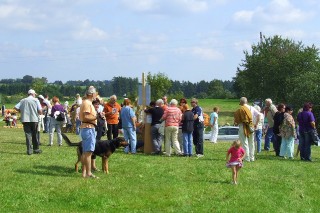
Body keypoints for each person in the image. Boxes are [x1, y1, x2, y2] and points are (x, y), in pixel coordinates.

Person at [14, 89, 42, 155]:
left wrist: (21, 110)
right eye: (35, 94)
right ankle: (36, 149)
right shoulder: (36, 100)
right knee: (34, 135)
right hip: (34, 120)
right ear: (33, 94)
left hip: (25, 120)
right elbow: (40, 111)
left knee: (28, 135)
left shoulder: (23, 100)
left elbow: (15, 107)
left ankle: (29, 150)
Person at [79, 86, 98, 178]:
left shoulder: (86, 102)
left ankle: (84, 172)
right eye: (95, 94)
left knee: (85, 152)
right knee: (88, 152)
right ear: (92, 94)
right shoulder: (87, 103)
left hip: (87, 128)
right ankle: (88, 173)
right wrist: (96, 117)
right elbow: (86, 116)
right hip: (88, 128)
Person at [234, 97, 254, 162]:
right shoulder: (250, 108)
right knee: (251, 143)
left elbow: (237, 121)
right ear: (246, 102)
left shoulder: (241, 109)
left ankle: (246, 158)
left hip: (243, 126)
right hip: (251, 126)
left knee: (244, 142)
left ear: (241, 102)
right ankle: (252, 157)